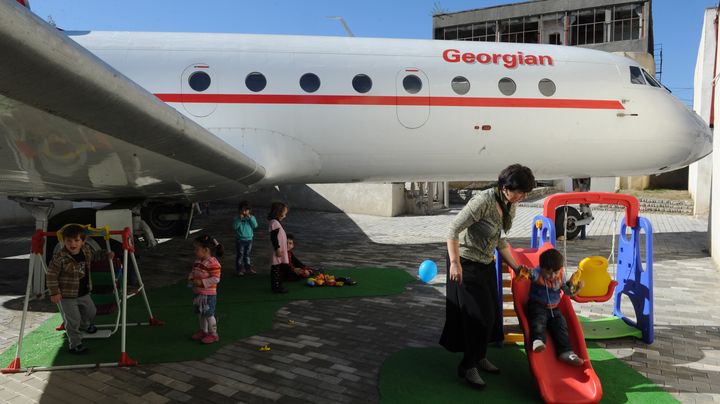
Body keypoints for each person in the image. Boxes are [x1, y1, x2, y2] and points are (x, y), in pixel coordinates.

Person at [440, 164, 535, 389]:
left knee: (492, 316)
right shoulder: (483, 201)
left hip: (484, 263)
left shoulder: (508, 204)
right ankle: (468, 366)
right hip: (464, 263)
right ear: (505, 187)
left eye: (525, 192)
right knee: (477, 319)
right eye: (520, 191)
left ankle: (480, 357)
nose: (522, 196)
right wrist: (454, 263)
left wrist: (516, 266)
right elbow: (452, 230)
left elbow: (498, 239)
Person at [46, 224, 114, 354]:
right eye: (69, 241)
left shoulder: (86, 250)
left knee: (91, 311)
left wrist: (106, 254)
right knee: (73, 320)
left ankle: (85, 325)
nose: (73, 244)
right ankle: (75, 344)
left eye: (76, 240)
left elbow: (95, 256)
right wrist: (54, 292)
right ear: (63, 241)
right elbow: (51, 275)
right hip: (66, 295)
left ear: (82, 241)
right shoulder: (59, 257)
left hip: (83, 292)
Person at [516, 248, 585, 367]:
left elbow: (567, 292)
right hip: (537, 305)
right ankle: (538, 341)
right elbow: (532, 274)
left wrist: (576, 289)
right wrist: (526, 271)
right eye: (548, 272)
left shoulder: (561, 275)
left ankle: (565, 352)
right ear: (541, 267)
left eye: (556, 272)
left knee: (561, 325)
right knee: (539, 320)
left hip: (554, 308)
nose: (552, 275)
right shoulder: (537, 273)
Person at [188, 234, 224, 344]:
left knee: (209, 314)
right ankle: (204, 331)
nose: (195, 251)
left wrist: (201, 282)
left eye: (197, 249)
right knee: (201, 313)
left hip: (208, 294)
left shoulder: (213, 263)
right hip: (198, 293)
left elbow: (216, 279)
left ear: (206, 250)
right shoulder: (198, 261)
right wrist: (191, 277)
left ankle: (213, 334)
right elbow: (194, 271)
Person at [268, 202, 290, 293]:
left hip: (280, 249)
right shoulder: (274, 223)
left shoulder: (276, 222)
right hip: (278, 250)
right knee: (276, 269)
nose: (285, 215)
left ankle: (278, 285)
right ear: (278, 212)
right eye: (284, 213)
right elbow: (274, 237)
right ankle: (276, 287)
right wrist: (277, 248)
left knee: (280, 268)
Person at [233, 200, 258, 276]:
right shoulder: (237, 218)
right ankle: (239, 270)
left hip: (249, 239)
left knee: (247, 255)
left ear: (249, 210)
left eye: (246, 210)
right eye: (243, 210)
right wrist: (239, 219)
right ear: (240, 210)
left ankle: (248, 269)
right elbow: (234, 227)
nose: (244, 212)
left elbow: (255, 226)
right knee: (240, 255)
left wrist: (250, 218)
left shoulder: (252, 217)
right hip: (240, 240)